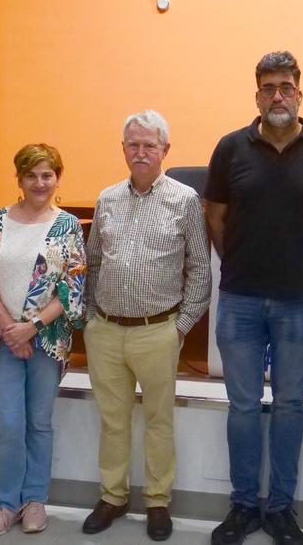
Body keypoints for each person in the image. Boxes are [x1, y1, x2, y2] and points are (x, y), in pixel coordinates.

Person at [205, 50, 303, 545]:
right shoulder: (230, 148)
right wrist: (244, 262)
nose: (277, 95)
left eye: (285, 86)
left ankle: (283, 509)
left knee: (290, 405)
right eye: (268, 87)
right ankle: (245, 506)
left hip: (297, 300)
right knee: (243, 407)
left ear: (299, 92)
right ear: (257, 95)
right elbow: (216, 218)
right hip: (241, 299)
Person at [80, 111, 211, 541]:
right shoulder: (107, 199)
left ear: (165, 151)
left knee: (158, 420)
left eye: (149, 145)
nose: (140, 152)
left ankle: (157, 501)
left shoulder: (185, 200)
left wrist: (181, 326)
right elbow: (93, 261)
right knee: (113, 420)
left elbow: (199, 269)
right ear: (123, 149)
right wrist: (89, 318)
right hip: (106, 330)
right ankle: (113, 496)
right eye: (133, 144)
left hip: (159, 329)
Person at [0, 143, 86, 537]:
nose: (39, 183)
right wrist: (10, 329)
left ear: (57, 178)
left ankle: (35, 500)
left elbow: (73, 282)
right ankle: (6, 503)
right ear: (18, 179)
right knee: (10, 424)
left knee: (39, 423)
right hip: (2, 339)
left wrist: (31, 326)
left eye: (47, 175)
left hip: (46, 340)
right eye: (31, 175)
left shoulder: (67, 225)